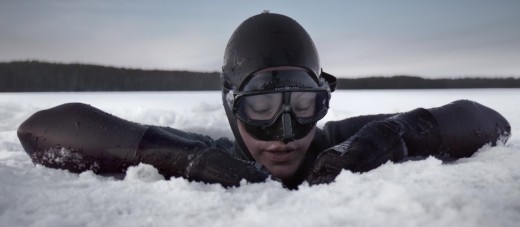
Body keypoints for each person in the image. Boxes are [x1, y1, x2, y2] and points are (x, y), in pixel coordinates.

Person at [17, 12, 511, 189]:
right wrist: (178, 156)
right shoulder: (211, 156)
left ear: (325, 102)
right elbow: (41, 128)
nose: (284, 132)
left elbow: (489, 120)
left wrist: (397, 133)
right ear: (231, 106)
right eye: (260, 108)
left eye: (302, 106)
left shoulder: (349, 142)